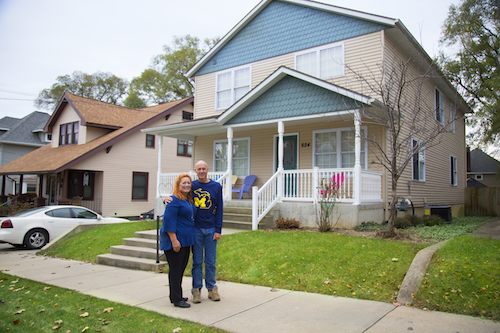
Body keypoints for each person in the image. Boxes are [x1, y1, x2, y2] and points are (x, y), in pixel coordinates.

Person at [165, 160, 223, 303]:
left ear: (207, 170)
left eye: (204, 168)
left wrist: (218, 229)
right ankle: (196, 290)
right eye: (199, 169)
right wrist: (165, 199)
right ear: (195, 171)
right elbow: (179, 196)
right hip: (195, 229)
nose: (201, 171)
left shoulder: (216, 186)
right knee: (197, 261)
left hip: (211, 228)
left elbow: (220, 208)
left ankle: (212, 289)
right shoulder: (192, 185)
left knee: (211, 261)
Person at [160, 173, 196, 308]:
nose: (186, 185)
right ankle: (176, 299)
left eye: (188, 183)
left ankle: (176, 295)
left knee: (180, 269)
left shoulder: (187, 200)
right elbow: (168, 221)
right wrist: (174, 240)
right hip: (175, 241)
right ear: (178, 185)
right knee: (175, 269)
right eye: (183, 183)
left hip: (186, 240)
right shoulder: (174, 200)